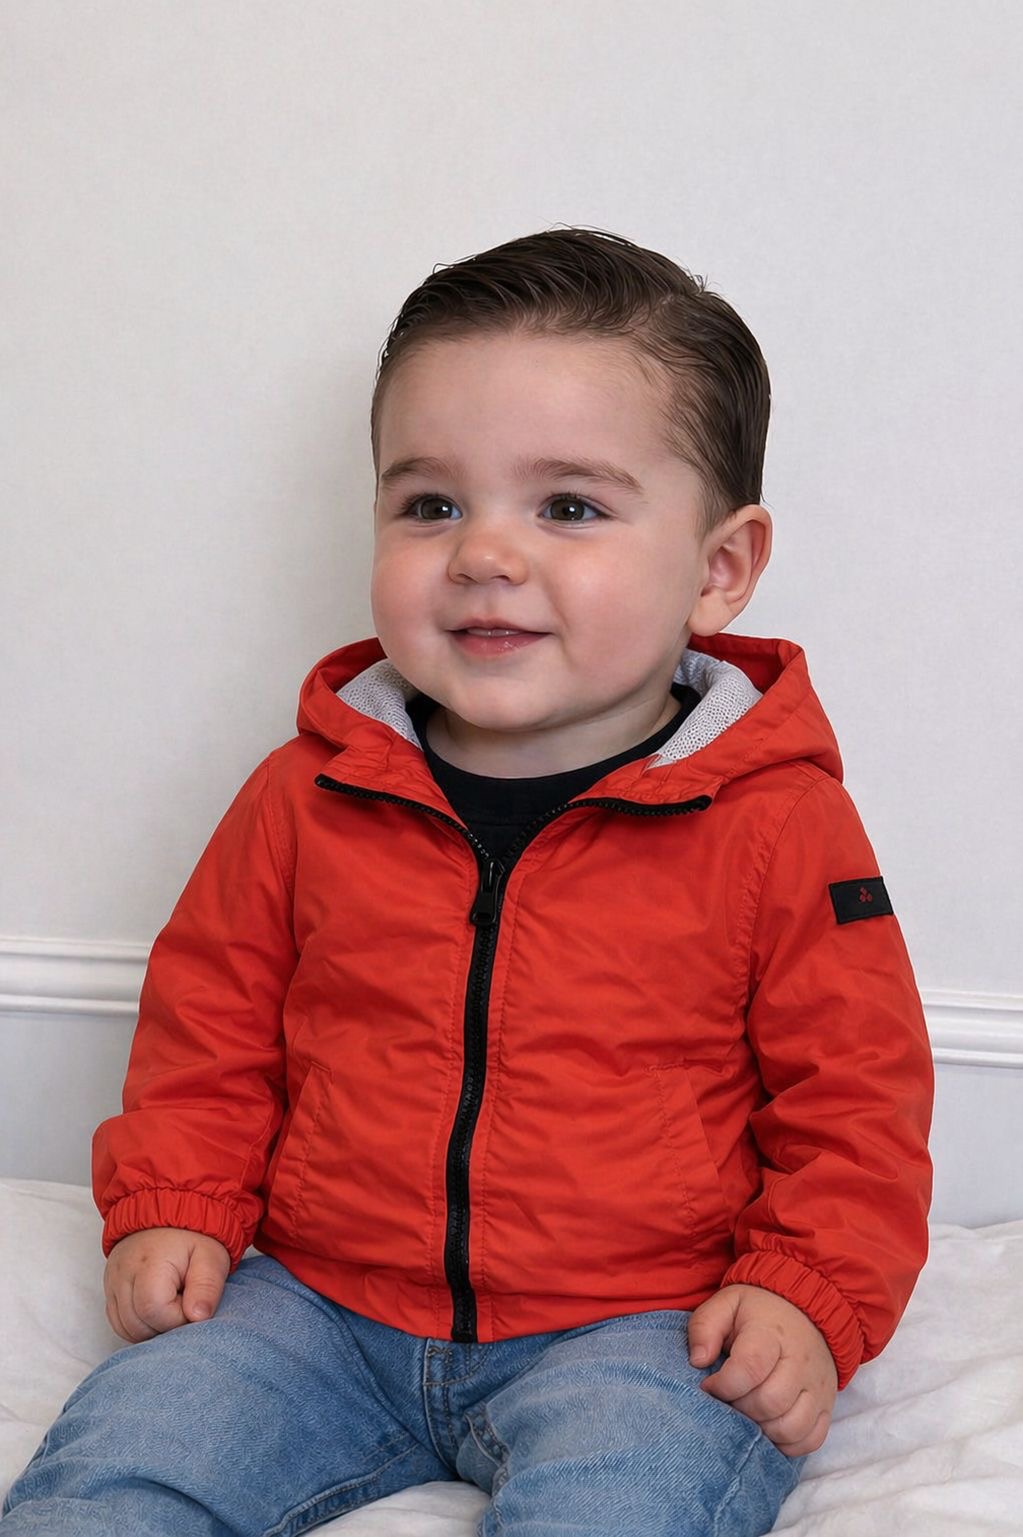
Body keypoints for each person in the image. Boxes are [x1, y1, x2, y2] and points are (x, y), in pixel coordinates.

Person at [1, 227, 934, 1537]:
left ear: (718, 569)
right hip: (316, 1304)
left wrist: (805, 1291)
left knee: (624, 1508)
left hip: (644, 1322)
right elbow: (209, 1020)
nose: (485, 552)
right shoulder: (308, 792)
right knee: (120, 1470)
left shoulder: (779, 825)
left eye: (569, 507)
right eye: (431, 504)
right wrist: (179, 1202)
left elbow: (858, 1097)